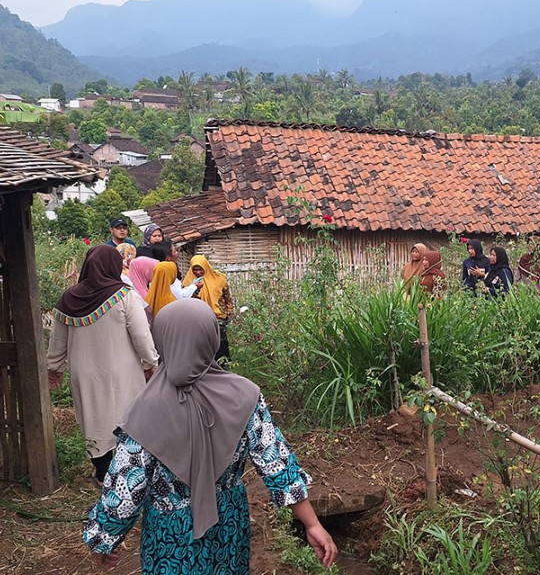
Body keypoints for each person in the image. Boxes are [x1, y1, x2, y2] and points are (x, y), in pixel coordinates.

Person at [83, 300, 338, 573]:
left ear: (162, 340)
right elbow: (277, 464)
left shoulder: (145, 411)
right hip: (228, 523)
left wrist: (104, 541)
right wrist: (312, 525)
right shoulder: (245, 396)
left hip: (171, 534)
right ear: (211, 338)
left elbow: (125, 491)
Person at [46, 245, 158, 486]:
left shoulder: (69, 299)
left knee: (94, 417)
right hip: (123, 372)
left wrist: (54, 368)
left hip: (84, 373)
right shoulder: (123, 295)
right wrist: (151, 364)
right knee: (126, 415)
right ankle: (130, 470)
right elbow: (141, 336)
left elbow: (57, 341)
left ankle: (102, 471)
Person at [183, 255, 234, 360]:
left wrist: (229, 313)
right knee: (202, 347)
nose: (198, 272)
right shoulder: (188, 283)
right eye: (195, 269)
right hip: (198, 320)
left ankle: (222, 368)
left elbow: (227, 298)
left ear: (206, 267)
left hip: (218, 318)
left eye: (200, 269)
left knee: (221, 345)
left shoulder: (219, 279)